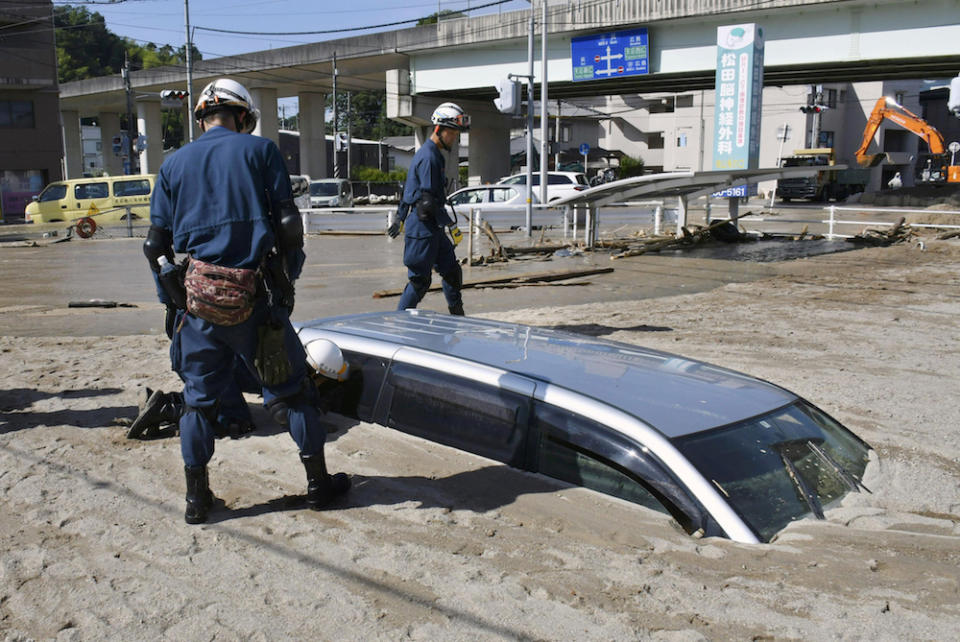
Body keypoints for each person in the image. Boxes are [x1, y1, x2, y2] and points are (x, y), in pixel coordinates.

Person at [144, 78, 349, 524]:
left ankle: (197, 499)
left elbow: (154, 246)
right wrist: (286, 281)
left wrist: (175, 298)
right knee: (292, 392)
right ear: (242, 116)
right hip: (254, 301)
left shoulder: (173, 164)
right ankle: (318, 486)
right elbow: (290, 227)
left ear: (201, 117)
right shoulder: (261, 151)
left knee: (197, 401)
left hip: (197, 304)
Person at [387, 102, 469, 315]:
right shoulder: (429, 157)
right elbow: (426, 202)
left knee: (452, 272)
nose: (454, 138)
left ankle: (457, 319)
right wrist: (449, 224)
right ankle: (400, 321)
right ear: (439, 130)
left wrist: (399, 216)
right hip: (423, 227)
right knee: (419, 281)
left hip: (431, 227)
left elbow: (411, 189)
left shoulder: (430, 154)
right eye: (452, 133)